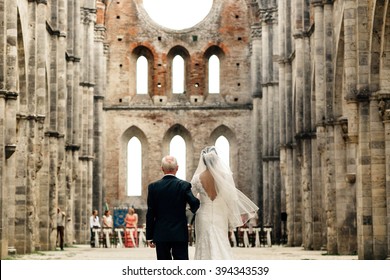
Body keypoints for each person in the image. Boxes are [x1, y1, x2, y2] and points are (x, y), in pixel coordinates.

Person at [191, 146, 259, 259]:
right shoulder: (224, 177)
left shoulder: (197, 178)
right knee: (221, 240)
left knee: (203, 241)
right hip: (220, 214)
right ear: (217, 160)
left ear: (203, 161)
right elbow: (231, 197)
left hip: (203, 214)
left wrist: (200, 197)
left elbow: (191, 196)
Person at [146, 155, 200, 260]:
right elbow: (194, 205)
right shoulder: (184, 185)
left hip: (161, 233)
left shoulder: (153, 187)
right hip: (179, 233)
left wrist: (149, 236)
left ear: (162, 169)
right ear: (177, 168)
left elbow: (150, 213)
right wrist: (198, 199)